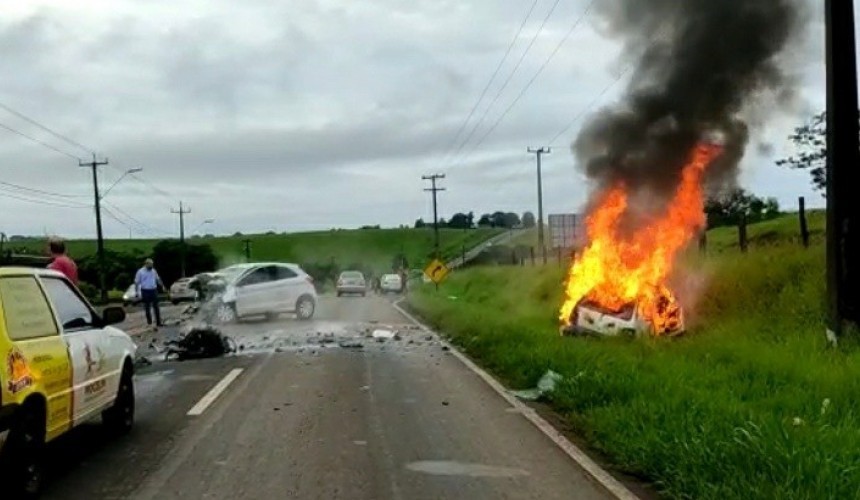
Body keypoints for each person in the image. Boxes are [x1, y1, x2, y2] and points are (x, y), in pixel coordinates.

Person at [135, 258, 164, 329]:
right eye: (150, 265)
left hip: (153, 290)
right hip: (145, 291)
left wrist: (162, 286)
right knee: (147, 307)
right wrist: (137, 292)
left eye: (152, 265)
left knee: (156, 307)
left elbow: (157, 279)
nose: (151, 266)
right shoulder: (140, 271)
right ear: (146, 264)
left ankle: (158, 323)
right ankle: (149, 323)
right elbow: (136, 282)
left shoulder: (153, 271)